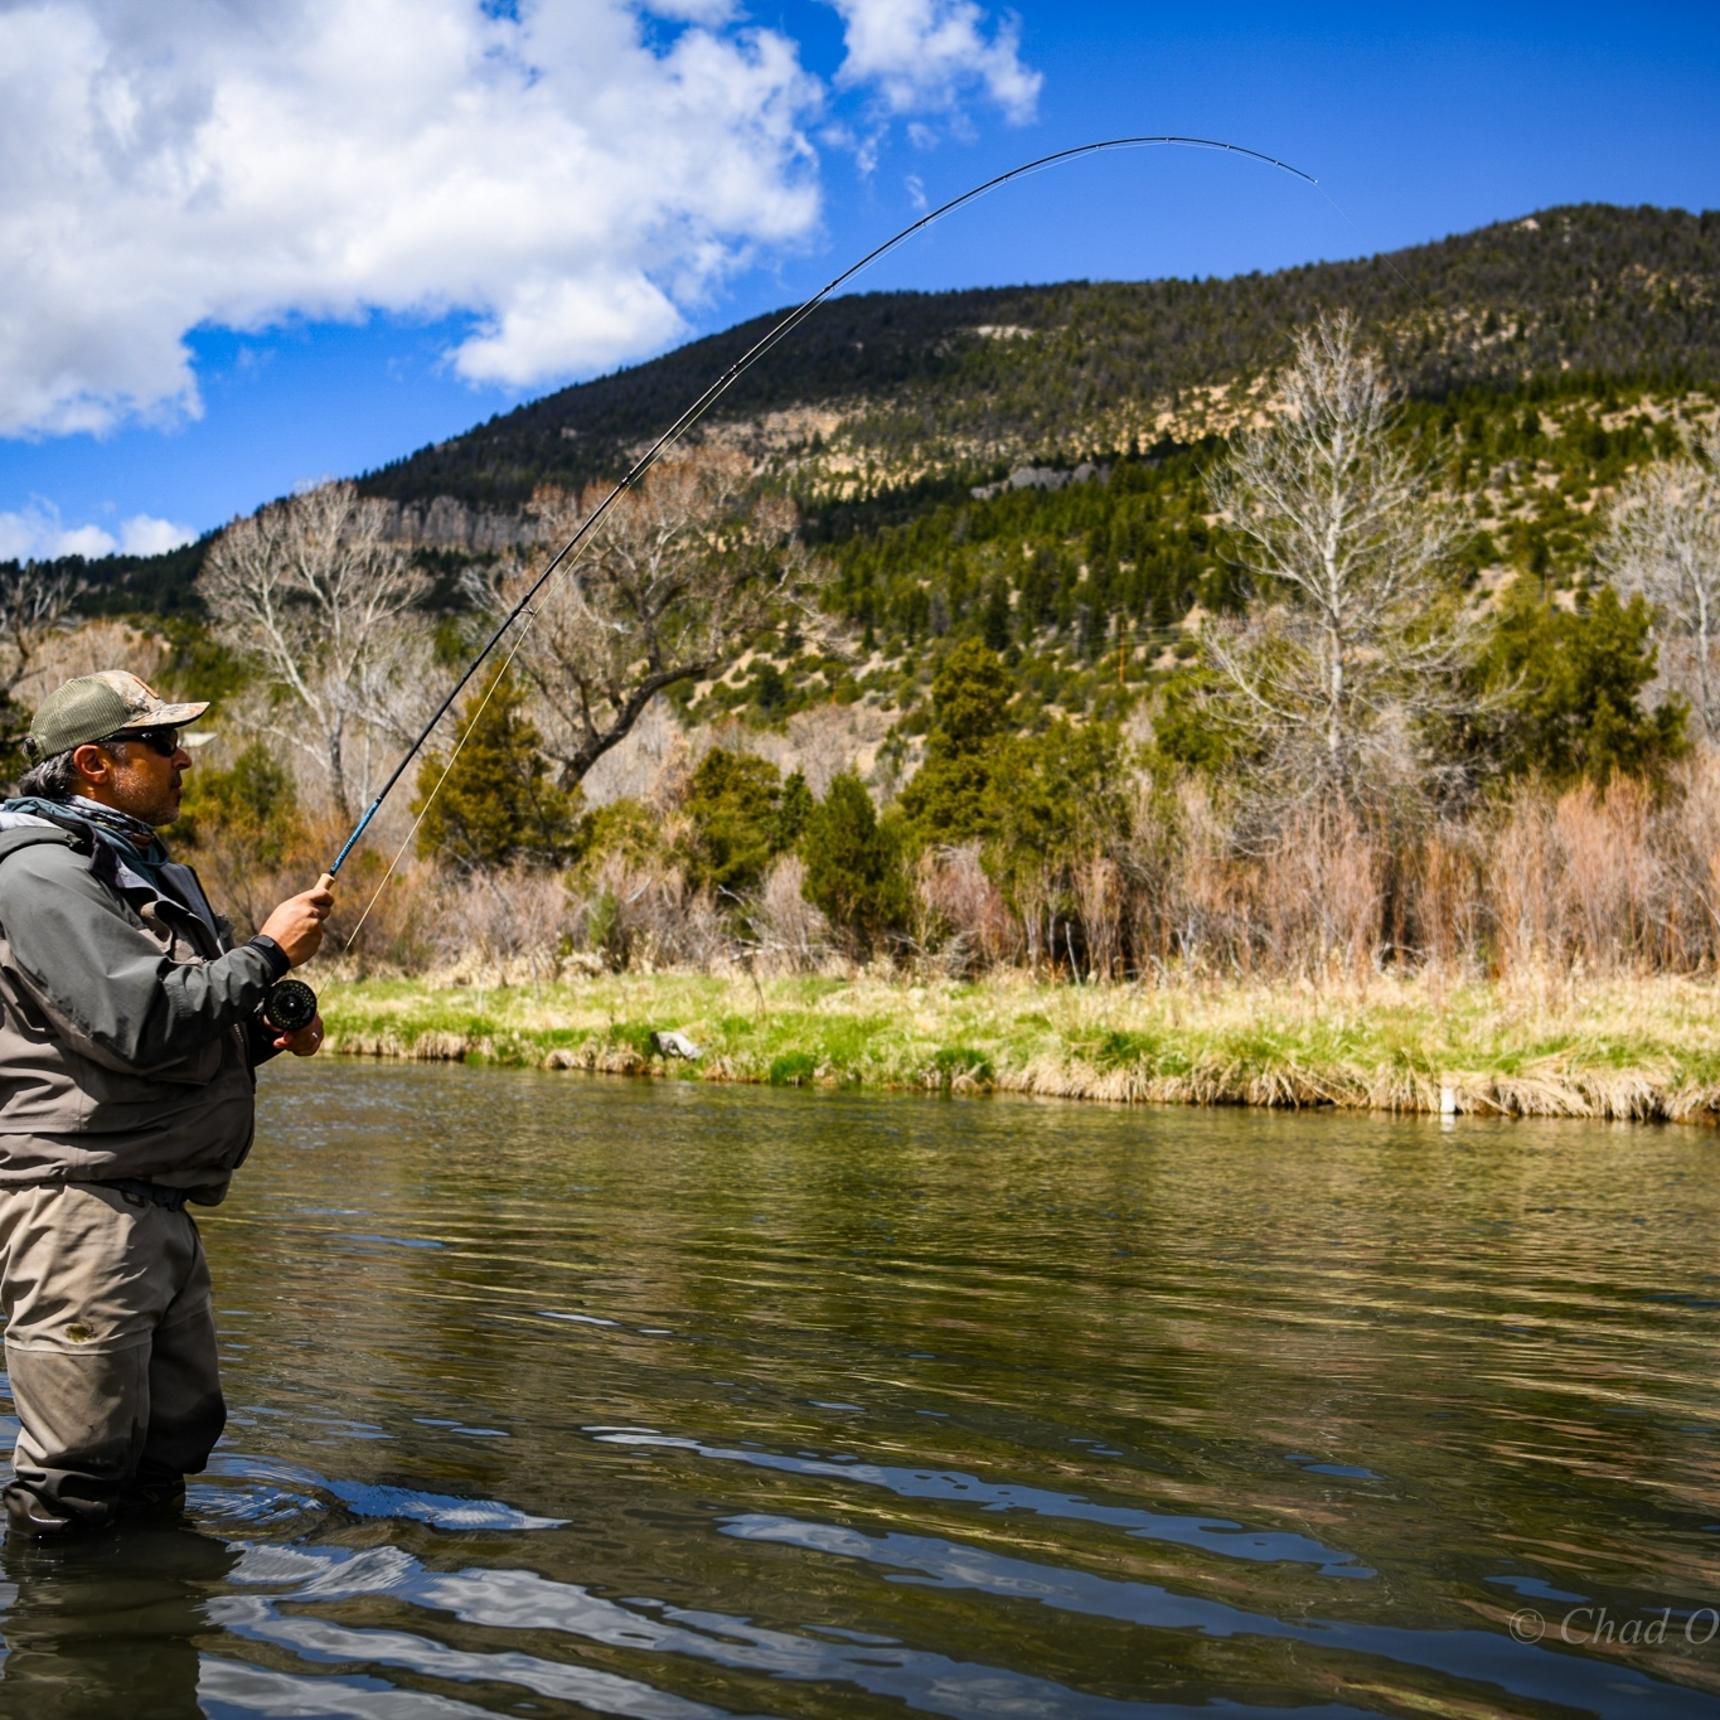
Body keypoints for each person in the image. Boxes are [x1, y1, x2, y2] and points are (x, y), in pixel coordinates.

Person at [0, 671, 333, 1537]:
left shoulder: (134, 867)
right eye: (160, 744)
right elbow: (140, 1019)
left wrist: (263, 1036)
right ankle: (68, 1652)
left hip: (156, 1207)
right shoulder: (37, 874)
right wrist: (268, 951)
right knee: (75, 1477)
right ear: (93, 764)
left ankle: (154, 1631)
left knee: (170, 1446)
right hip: (77, 1208)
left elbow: (162, 1044)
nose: (182, 759)